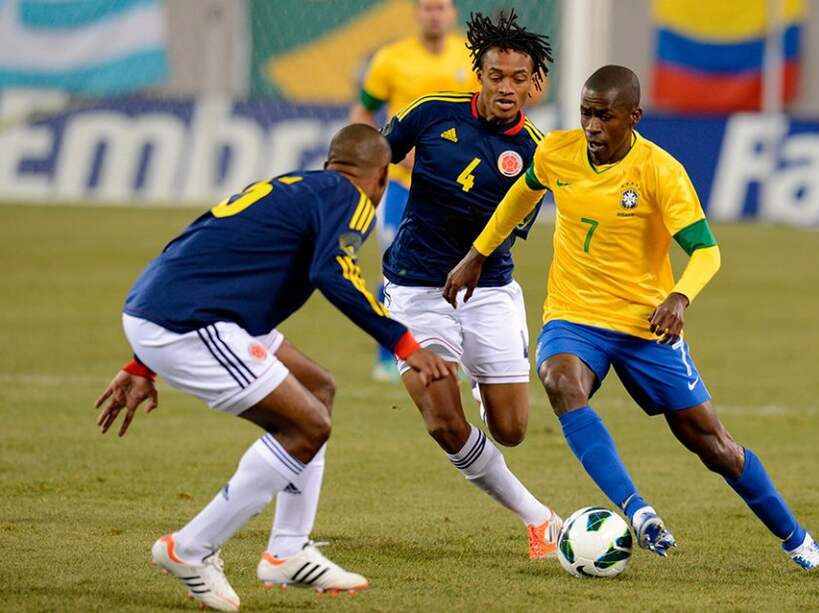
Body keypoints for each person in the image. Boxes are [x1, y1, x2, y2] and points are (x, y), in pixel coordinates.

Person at [444, 65, 819, 571]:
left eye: (604, 116)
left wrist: (679, 297)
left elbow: (705, 252)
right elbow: (522, 194)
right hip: (575, 315)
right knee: (559, 379)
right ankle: (638, 511)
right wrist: (477, 254)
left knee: (713, 445)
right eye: (586, 113)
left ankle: (799, 542)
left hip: (645, 324)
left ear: (632, 117)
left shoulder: (660, 170)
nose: (591, 126)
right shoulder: (555, 153)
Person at [94, 125, 453, 611]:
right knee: (306, 426)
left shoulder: (297, 186)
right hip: (189, 322)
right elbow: (334, 271)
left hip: (183, 309)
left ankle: (287, 550)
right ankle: (190, 549)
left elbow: (197, 240)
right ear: (380, 178)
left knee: (317, 388)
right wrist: (404, 342)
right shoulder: (353, 198)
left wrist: (142, 362)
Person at [380, 11, 561, 559]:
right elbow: (374, 160)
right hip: (415, 289)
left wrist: (472, 263)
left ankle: (485, 387)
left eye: (517, 79)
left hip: (490, 291)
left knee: (510, 430)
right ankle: (540, 519)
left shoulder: (537, 151)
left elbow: (503, 235)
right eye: (495, 76)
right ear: (478, 75)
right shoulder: (430, 114)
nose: (506, 88)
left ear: (535, 84)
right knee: (440, 413)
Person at [350, 0, 479, 382]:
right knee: (396, 264)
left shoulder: (471, 58)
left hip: (460, 188)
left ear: (452, 13)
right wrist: (383, 149)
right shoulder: (390, 59)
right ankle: (388, 356)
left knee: (465, 266)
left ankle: (467, 353)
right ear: (416, 13)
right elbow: (362, 110)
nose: (433, 14)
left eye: (440, 7)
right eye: (426, 7)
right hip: (404, 187)